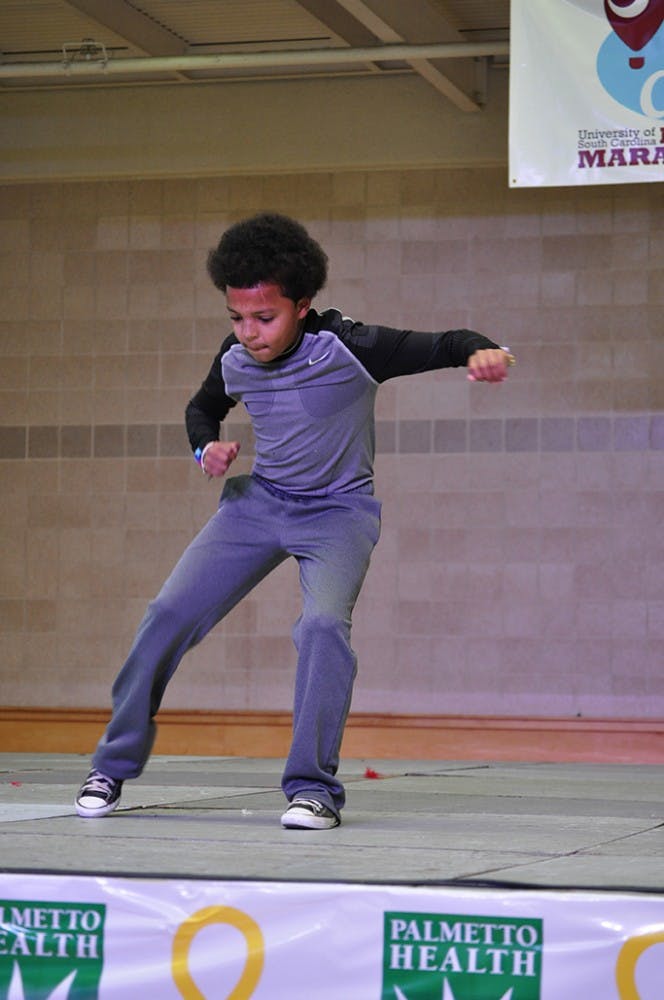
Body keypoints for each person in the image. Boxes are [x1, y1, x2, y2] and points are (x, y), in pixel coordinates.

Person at [75, 212, 513, 830]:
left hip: (338, 513)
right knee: (167, 614)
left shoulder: (354, 347)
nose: (248, 333)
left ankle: (313, 790)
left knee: (322, 627)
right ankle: (110, 766)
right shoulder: (235, 357)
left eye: (265, 317)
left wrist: (481, 350)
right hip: (260, 505)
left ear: (303, 305)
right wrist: (207, 448)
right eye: (236, 318)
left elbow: (445, 342)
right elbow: (203, 408)